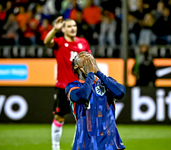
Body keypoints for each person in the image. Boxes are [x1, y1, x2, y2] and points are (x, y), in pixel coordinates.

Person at [44, 16, 91, 150]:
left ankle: (78, 142)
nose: (72, 28)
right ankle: (55, 146)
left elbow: (89, 62)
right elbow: (47, 42)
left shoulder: (83, 42)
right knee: (59, 117)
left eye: (74, 26)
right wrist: (54, 29)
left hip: (80, 87)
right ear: (63, 29)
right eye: (69, 26)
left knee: (83, 117)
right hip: (63, 87)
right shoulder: (59, 42)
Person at [65, 51, 126, 150]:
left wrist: (97, 72)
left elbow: (120, 92)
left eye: (90, 58)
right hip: (85, 143)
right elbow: (83, 95)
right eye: (84, 58)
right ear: (76, 66)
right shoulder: (73, 86)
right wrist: (90, 74)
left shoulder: (105, 82)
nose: (88, 59)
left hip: (110, 142)